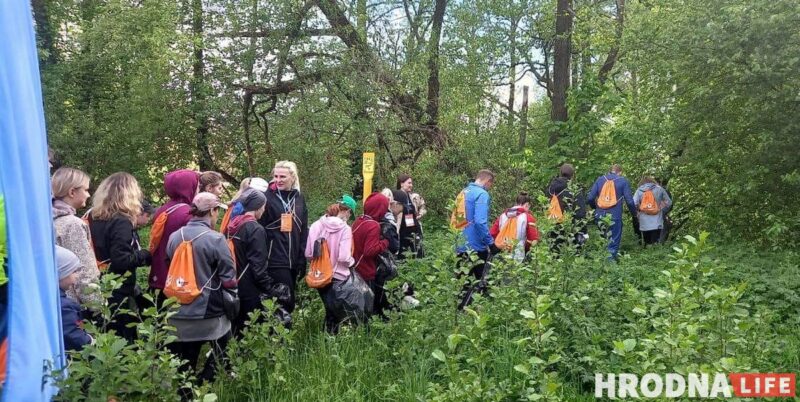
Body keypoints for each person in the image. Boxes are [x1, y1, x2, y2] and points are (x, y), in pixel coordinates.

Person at [165, 192, 237, 384]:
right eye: (217, 212)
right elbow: (228, 277)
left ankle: (186, 392)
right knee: (225, 347)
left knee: (186, 360)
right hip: (208, 311)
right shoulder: (216, 239)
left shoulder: (174, 236)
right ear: (212, 211)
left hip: (178, 308)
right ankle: (204, 381)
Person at [88, 173, 151, 341]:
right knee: (124, 338)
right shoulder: (121, 221)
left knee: (105, 334)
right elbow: (122, 260)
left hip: (98, 283)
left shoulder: (93, 217)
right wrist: (145, 254)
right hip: (118, 288)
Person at [257, 161, 309, 326]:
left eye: (282, 177)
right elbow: (259, 229)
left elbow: (303, 230)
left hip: (293, 259)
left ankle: (280, 338)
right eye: (275, 176)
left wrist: (302, 258)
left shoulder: (299, 198)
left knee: (288, 299)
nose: (278, 180)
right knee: (284, 300)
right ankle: (279, 340)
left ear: (292, 177)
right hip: (275, 258)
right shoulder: (267, 198)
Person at [226, 188, 283, 336]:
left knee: (233, 329)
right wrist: (269, 288)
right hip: (249, 287)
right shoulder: (255, 229)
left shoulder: (233, 225)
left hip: (233, 282)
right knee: (246, 330)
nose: (264, 210)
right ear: (257, 207)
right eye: (263, 206)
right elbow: (258, 266)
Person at [304, 196, 356, 334]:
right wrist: (352, 262)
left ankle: (327, 339)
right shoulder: (345, 229)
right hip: (338, 277)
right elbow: (344, 257)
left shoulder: (316, 225)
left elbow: (309, 253)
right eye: (350, 213)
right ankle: (331, 341)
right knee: (335, 313)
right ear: (347, 211)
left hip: (320, 276)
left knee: (330, 310)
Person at [51, 167, 101, 307]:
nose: (88, 195)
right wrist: (97, 307)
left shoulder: (48, 219)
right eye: (85, 190)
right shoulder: (73, 224)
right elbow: (84, 270)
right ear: (72, 192)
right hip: (74, 304)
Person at [150, 169, 199, 302]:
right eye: (197, 185)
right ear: (189, 187)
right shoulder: (187, 213)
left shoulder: (162, 209)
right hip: (176, 281)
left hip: (158, 275)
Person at [352, 192, 397, 319]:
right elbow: (369, 250)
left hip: (356, 269)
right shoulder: (373, 225)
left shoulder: (359, 220)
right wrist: (385, 242)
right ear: (379, 208)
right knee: (371, 306)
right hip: (367, 271)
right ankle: (371, 329)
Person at [456, 169, 496, 309]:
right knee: (482, 281)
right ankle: (479, 314)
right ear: (487, 181)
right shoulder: (482, 194)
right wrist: (490, 243)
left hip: (460, 243)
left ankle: (459, 313)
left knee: (462, 283)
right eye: (490, 185)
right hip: (476, 246)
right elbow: (480, 221)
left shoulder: (463, 192)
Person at [587, 164, 637, 261]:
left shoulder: (600, 180)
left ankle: (601, 265)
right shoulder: (623, 181)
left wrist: (596, 207)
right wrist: (634, 214)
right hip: (615, 216)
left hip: (600, 215)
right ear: (620, 172)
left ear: (610, 171)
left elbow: (590, 198)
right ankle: (610, 269)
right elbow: (630, 201)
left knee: (602, 241)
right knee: (613, 243)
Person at [544, 163, 588, 255]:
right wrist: (583, 231)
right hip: (569, 226)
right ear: (572, 175)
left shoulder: (549, 189)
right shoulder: (574, 190)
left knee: (554, 251)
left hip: (552, 223)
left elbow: (545, 206)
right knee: (573, 254)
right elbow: (580, 213)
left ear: (560, 173)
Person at [57, 246, 93, 352]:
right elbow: (74, 336)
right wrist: (90, 341)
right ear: (60, 274)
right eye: (73, 272)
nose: (76, 277)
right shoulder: (64, 306)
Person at [489, 192, 539, 263]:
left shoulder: (503, 215)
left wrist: (495, 247)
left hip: (502, 252)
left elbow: (492, 233)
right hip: (518, 254)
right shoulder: (528, 217)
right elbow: (533, 239)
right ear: (527, 205)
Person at [633, 177, 672, 246]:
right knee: (656, 241)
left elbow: (634, 203)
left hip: (644, 221)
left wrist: (640, 209)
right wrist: (661, 209)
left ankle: (647, 253)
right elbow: (669, 202)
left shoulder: (639, 190)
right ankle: (655, 253)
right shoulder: (659, 189)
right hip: (657, 220)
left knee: (647, 242)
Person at [392, 175, 423, 258]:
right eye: (409, 183)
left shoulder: (412, 196)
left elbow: (421, 208)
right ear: (401, 184)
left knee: (419, 252)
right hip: (402, 231)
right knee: (402, 255)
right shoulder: (396, 195)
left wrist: (420, 215)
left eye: (411, 183)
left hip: (413, 229)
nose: (411, 185)